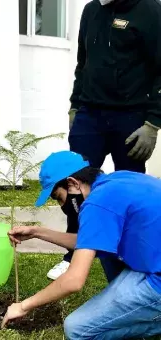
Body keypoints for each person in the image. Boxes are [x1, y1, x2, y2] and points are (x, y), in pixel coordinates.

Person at [48, 0, 161, 281]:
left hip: (131, 119)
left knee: (128, 188)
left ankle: (128, 254)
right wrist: (75, 106)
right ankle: (75, 249)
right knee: (74, 183)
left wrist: (153, 123)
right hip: (91, 115)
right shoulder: (91, 10)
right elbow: (82, 63)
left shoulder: (151, 11)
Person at [2, 150, 161, 339]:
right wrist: (37, 232)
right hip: (153, 261)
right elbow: (90, 241)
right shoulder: (117, 181)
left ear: (72, 183)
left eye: (59, 198)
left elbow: (73, 281)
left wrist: (23, 306)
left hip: (156, 278)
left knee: (77, 328)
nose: (63, 206)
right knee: (105, 253)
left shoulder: (96, 204)